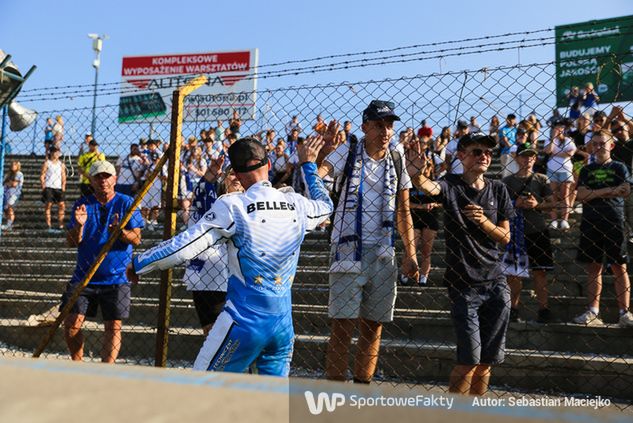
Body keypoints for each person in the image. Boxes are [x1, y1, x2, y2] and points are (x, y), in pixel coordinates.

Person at [127, 137, 333, 376]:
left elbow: (184, 246)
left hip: (243, 323)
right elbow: (326, 205)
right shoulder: (296, 203)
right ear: (268, 164)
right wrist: (308, 164)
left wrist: (139, 262)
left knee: (201, 390)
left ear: (235, 172)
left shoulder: (234, 206)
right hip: (282, 326)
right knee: (272, 404)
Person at [317, 100, 419, 384]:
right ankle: (334, 392)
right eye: (378, 125)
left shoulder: (396, 157)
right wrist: (320, 159)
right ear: (365, 127)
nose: (385, 131)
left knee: (374, 326)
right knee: (342, 326)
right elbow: (321, 173)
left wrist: (411, 253)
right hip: (348, 249)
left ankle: (362, 387)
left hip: (384, 252)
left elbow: (404, 210)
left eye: (389, 125)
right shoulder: (349, 149)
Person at [408, 132, 514, 396]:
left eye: (488, 152)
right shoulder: (451, 184)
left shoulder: (498, 188)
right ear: (462, 155)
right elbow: (429, 187)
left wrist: (483, 222)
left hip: (496, 283)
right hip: (463, 284)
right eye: (477, 151)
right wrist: (416, 175)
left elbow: (506, 236)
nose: (484, 156)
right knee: (468, 360)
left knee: (486, 362)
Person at [62, 160, 143, 363]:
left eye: (107, 176)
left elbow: (137, 238)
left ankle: (106, 369)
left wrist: (120, 233)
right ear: (91, 180)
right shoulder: (82, 205)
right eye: (98, 176)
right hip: (85, 276)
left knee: (113, 325)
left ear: (115, 179)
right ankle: (78, 364)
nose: (103, 180)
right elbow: (71, 242)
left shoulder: (126, 202)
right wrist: (79, 226)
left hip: (116, 275)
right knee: (71, 323)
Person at [573, 130, 633, 328]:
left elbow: (625, 190)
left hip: (614, 220)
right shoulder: (586, 170)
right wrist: (609, 190)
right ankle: (593, 311)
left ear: (611, 145)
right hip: (591, 221)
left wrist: (594, 193)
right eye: (595, 143)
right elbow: (580, 194)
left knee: (619, 267)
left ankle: (624, 312)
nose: (599, 147)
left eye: (603, 143)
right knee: (593, 266)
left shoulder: (619, 167)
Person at [183, 158, 243, 335]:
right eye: (232, 173)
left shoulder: (251, 204)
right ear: (223, 178)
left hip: (240, 276)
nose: (237, 178)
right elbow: (202, 191)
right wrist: (210, 174)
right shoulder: (212, 202)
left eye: (241, 173)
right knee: (212, 332)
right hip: (209, 276)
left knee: (232, 333)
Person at [502, 142, 556, 324]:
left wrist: (537, 204)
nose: (528, 159)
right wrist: (514, 204)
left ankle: (544, 309)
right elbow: (500, 206)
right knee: (513, 273)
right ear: (517, 158)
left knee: (540, 271)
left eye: (532, 156)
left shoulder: (541, 179)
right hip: (515, 231)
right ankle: (513, 309)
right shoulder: (507, 181)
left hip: (537, 229)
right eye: (524, 155)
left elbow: (552, 202)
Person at [544, 119, 576, 230]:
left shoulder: (568, 140)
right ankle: (554, 220)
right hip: (552, 170)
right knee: (553, 195)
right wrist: (553, 138)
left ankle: (564, 220)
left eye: (560, 127)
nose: (558, 130)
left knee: (565, 195)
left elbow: (570, 153)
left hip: (566, 169)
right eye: (556, 127)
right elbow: (548, 151)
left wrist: (555, 154)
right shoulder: (549, 140)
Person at [40, 147, 67, 232]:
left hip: (58, 187)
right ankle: (48, 224)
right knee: (48, 205)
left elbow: (63, 175)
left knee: (62, 205)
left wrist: (63, 186)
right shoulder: (47, 163)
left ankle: (61, 225)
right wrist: (43, 186)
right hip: (49, 186)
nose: (56, 154)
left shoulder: (61, 164)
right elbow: (42, 175)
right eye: (55, 152)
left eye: (58, 152)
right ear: (51, 153)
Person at [2, 161, 24, 231]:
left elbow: (14, 184)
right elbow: (4, 183)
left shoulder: (19, 174)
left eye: (14, 165)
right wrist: (9, 182)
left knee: (10, 208)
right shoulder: (8, 174)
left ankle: (9, 225)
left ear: (18, 166)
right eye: (12, 164)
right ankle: (8, 224)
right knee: (5, 209)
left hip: (14, 194)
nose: (12, 166)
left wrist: (8, 182)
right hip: (6, 193)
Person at [499, 113, 518, 178]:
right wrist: (513, 148)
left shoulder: (515, 129)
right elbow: (505, 141)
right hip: (506, 152)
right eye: (511, 119)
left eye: (514, 119)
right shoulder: (503, 129)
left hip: (515, 152)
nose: (512, 120)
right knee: (505, 173)